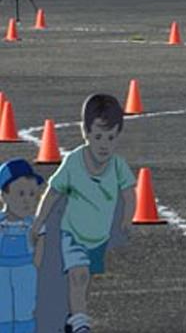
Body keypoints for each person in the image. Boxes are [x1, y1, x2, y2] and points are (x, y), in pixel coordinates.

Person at [31, 94, 136, 333]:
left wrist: (127, 219)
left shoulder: (118, 166)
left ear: (118, 135)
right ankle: (80, 321)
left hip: (98, 236)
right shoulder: (73, 162)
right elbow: (53, 192)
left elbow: (130, 193)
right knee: (78, 274)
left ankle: (73, 314)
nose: (104, 144)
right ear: (85, 133)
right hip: (73, 234)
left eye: (110, 138)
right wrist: (39, 221)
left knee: (85, 278)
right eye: (98, 137)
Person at [0, 158, 45, 333]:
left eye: (32, 194)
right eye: (21, 194)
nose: (27, 200)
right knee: (2, 311)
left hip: (26, 271)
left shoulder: (34, 225)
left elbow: (40, 247)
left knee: (25, 311)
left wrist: (36, 267)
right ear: (4, 195)